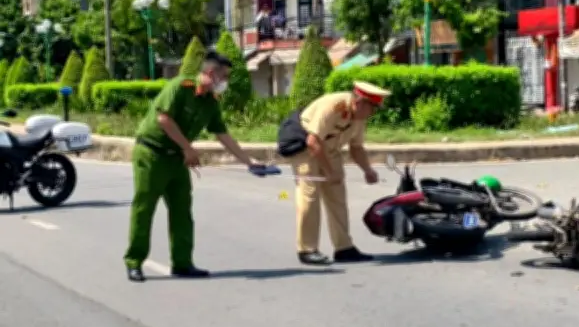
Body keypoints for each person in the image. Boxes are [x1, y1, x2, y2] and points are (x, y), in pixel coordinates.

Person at [124, 50, 267, 283]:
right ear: (210, 73)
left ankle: (182, 263)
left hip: (177, 158)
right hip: (152, 154)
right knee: (144, 208)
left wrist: (249, 162)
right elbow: (164, 119)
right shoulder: (181, 87)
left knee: (182, 210)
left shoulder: (210, 102)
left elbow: (222, 134)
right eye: (224, 76)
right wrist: (188, 148)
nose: (226, 82)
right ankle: (134, 261)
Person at [288, 82, 389, 265]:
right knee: (309, 196)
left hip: (330, 150)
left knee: (338, 198)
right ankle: (307, 249)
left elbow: (356, 147)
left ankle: (343, 248)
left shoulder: (358, 118)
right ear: (359, 102)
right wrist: (330, 172)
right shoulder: (333, 106)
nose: (373, 113)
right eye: (372, 107)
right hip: (306, 149)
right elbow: (313, 141)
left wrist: (367, 170)